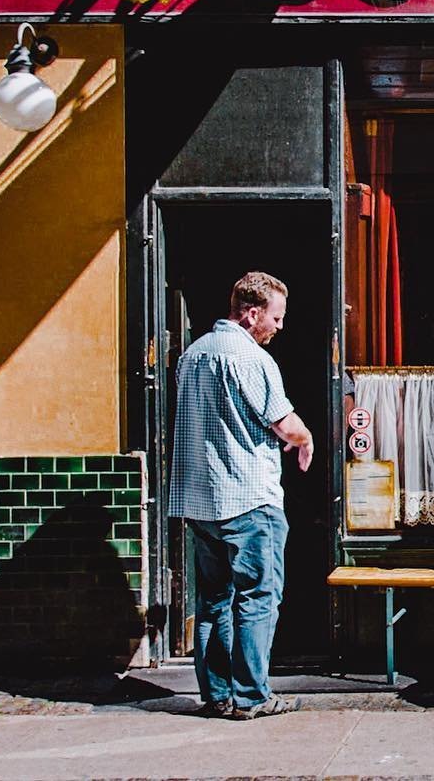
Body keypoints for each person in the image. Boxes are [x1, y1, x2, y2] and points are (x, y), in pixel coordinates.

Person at [168, 270, 314, 721]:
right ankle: (252, 695)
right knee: (258, 596)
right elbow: (283, 422)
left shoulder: (192, 355)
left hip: (200, 501)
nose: (280, 326)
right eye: (276, 316)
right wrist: (306, 438)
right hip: (249, 496)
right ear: (252, 314)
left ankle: (217, 695)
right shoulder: (250, 358)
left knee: (213, 602)